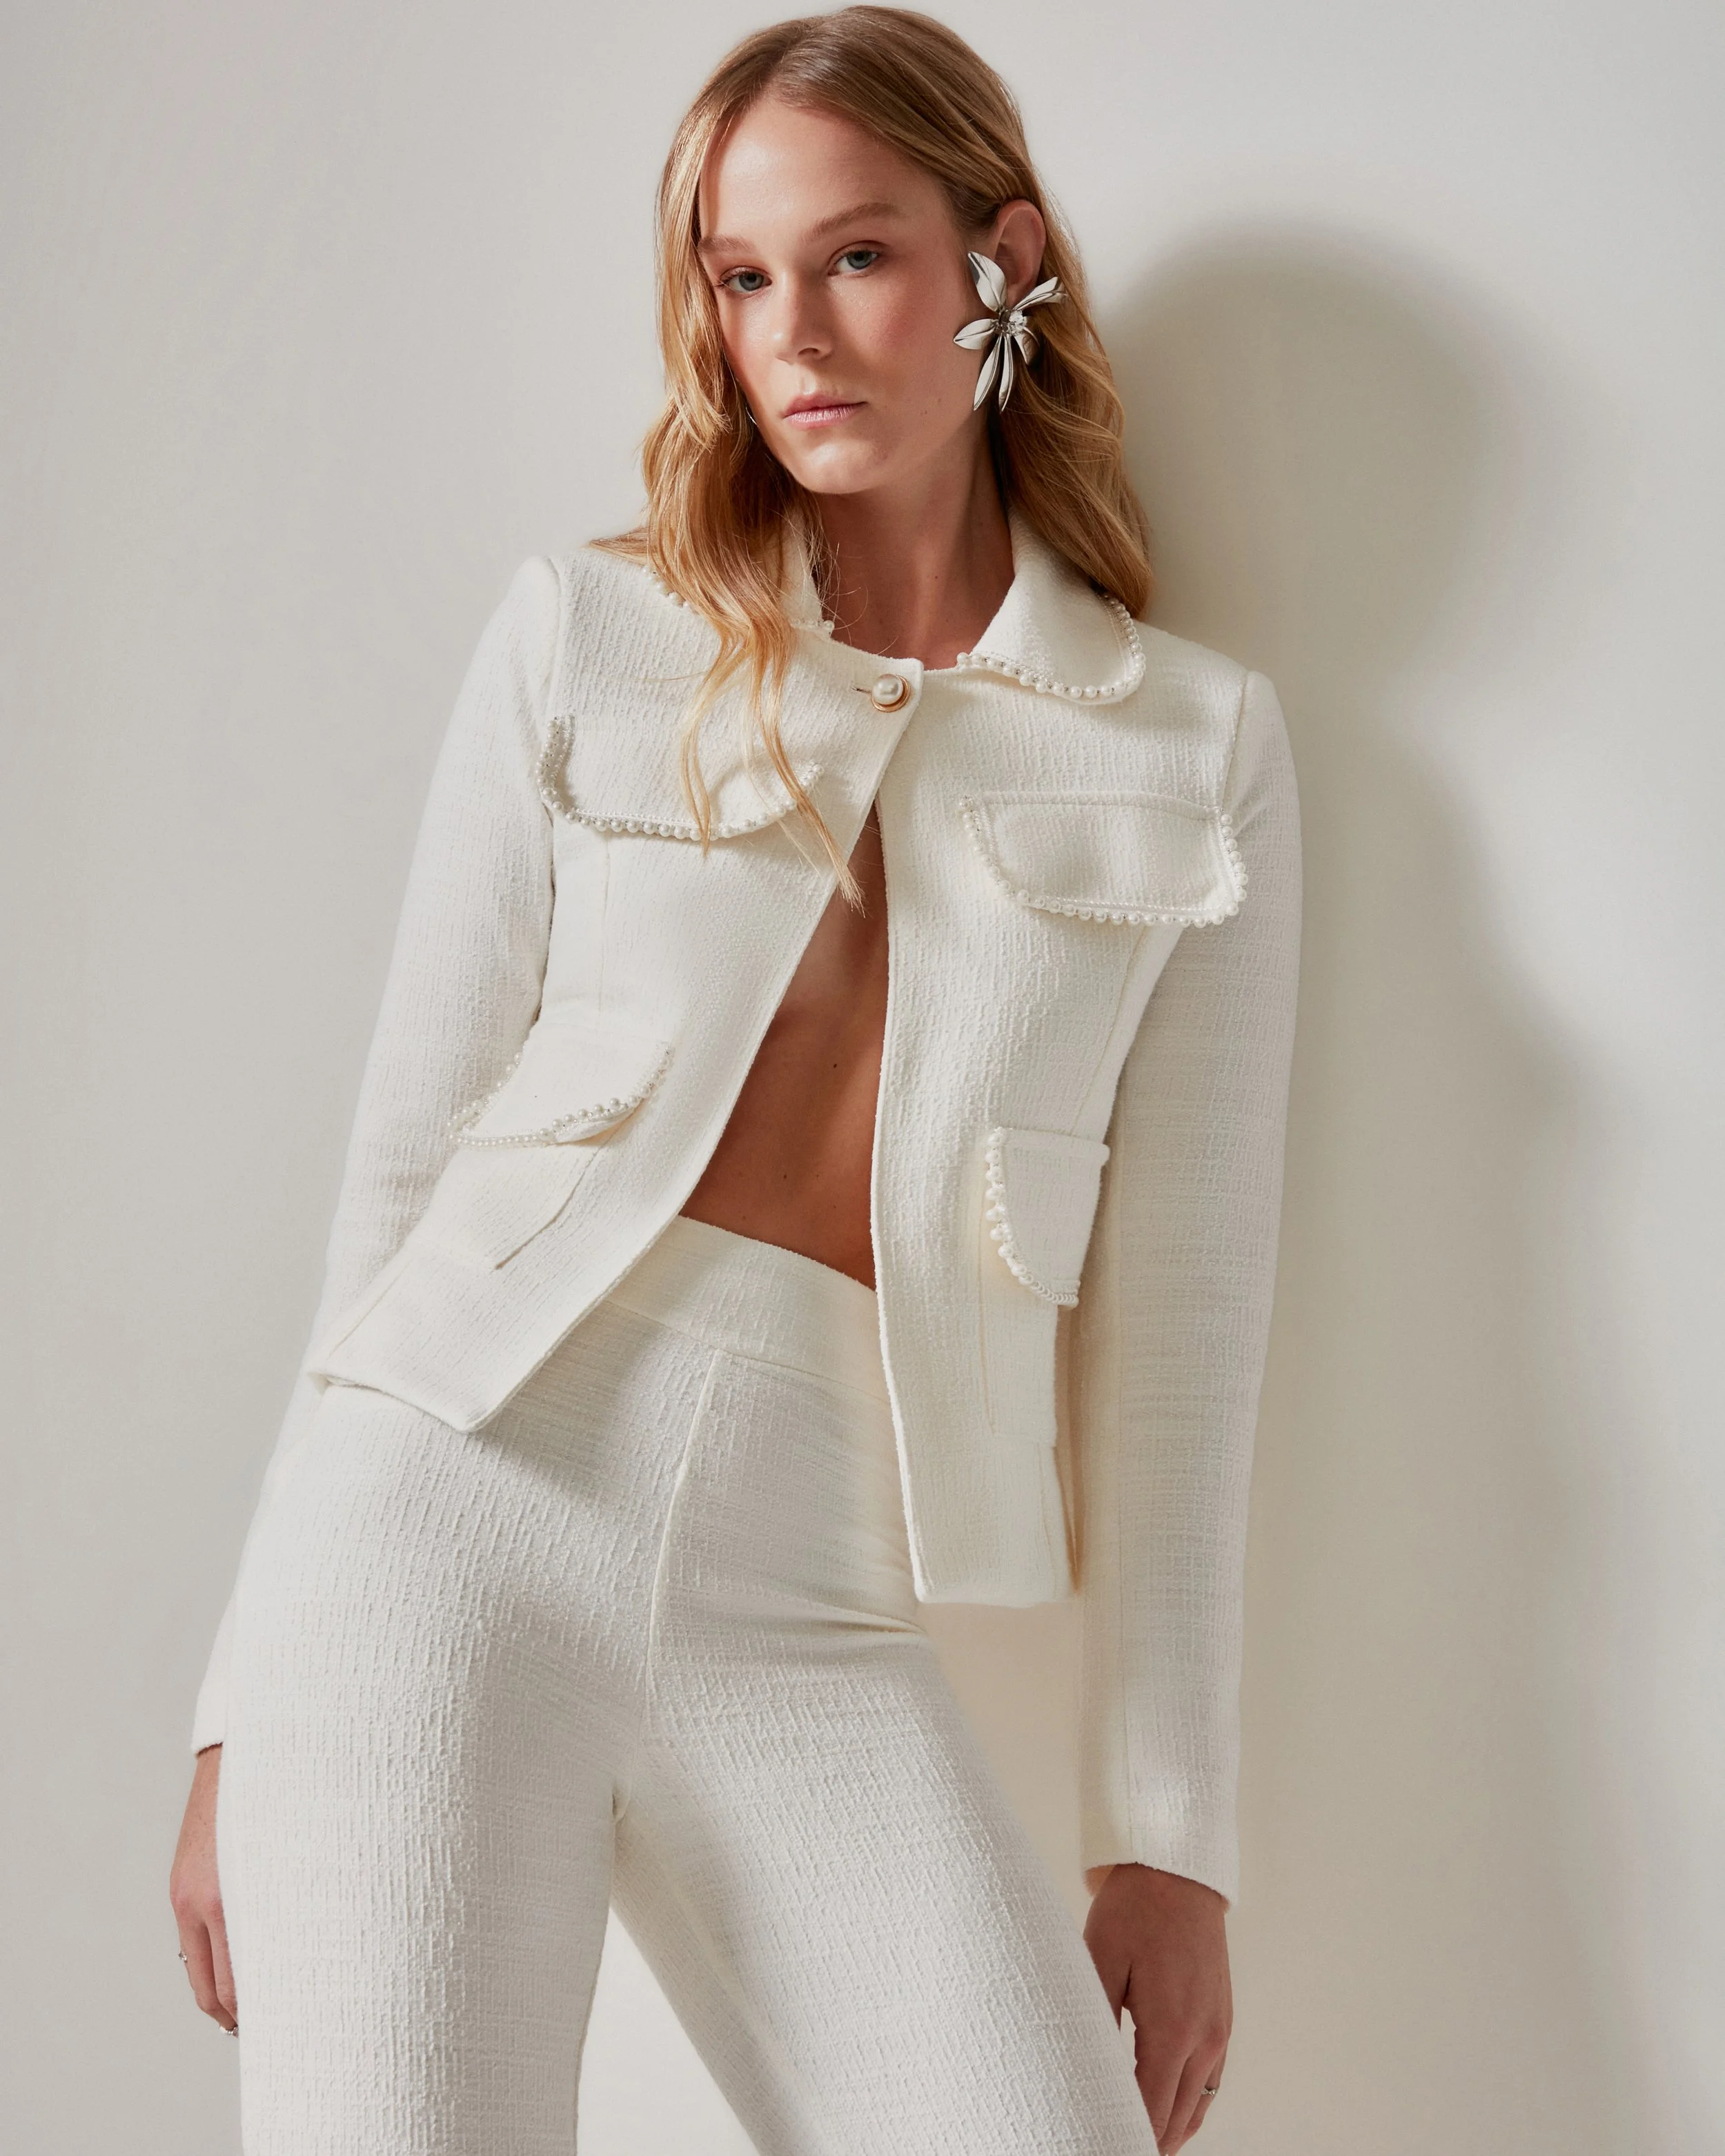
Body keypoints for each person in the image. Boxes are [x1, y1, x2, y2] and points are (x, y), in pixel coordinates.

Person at [168, 9, 1301, 2152]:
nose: (790, 330)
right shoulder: (590, 633)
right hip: (436, 1528)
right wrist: (242, 1705)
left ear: (999, 262)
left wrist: (1164, 1832)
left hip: (815, 1597)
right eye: (739, 271)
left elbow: (1182, 1332)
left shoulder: (1190, 744)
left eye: (855, 255)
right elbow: (401, 1171)